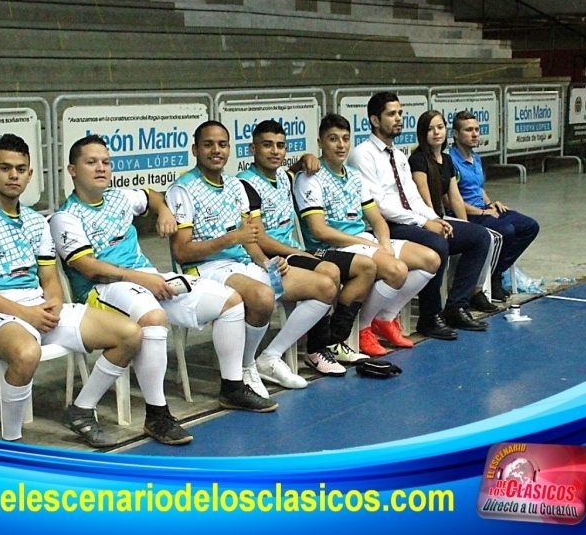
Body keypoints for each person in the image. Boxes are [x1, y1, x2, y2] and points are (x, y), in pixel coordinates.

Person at [50, 135, 277, 443]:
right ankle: (157, 415)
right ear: (72, 170)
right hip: (101, 291)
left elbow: (153, 196)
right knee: (154, 318)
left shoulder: (120, 197)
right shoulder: (65, 217)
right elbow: (90, 268)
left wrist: (165, 211)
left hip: (147, 281)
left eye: (105, 162)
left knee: (230, 302)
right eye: (91, 163)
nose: (101, 168)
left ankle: (233, 388)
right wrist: (144, 279)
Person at [0, 134, 143, 448]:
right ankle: (12, 443)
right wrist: (26, 314)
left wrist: (53, 303)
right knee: (27, 354)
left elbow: (49, 277)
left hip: (39, 308)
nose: (13, 175)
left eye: (20, 169)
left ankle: (82, 409)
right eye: (5, 168)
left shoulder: (36, 221)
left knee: (130, 334)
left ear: (29, 175)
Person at [165, 121, 340, 396]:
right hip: (204, 269)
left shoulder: (235, 186)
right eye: (208, 144)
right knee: (262, 296)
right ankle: (245, 366)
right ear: (195, 149)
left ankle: (269, 357)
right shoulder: (183, 189)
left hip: (242, 263)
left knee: (325, 286)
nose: (216, 150)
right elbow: (181, 252)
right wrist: (230, 239)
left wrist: (265, 262)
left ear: (229, 149)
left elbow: (248, 240)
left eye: (222, 145)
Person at [347, 92, 490, 337]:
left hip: (411, 219)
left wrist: (435, 219)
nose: (399, 118)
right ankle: (429, 316)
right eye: (391, 114)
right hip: (384, 225)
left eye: (400, 113)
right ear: (374, 120)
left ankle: (456, 306)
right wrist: (423, 222)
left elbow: (412, 197)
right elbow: (378, 204)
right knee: (438, 244)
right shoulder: (363, 154)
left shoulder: (399, 156)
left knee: (479, 236)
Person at [294, 113, 442, 347]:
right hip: (333, 247)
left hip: (365, 241)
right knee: (396, 270)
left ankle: (383, 317)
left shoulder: (354, 176)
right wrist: (371, 245)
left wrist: (383, 243)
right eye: (333, 139)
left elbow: (377, 219)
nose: (341, 145)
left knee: (430, 259)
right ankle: (363, 328)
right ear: (320, 142)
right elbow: (319, 231)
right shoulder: (310, 176)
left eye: (345, 138)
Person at [237, 119, 377, 362]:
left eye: (280, 146)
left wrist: (305, 158)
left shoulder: (284, 176)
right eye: (267, 145)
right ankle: (316, 348)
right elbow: (257, 237)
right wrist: (299, 253)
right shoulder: (244, 183)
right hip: (272, 257)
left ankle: (334, 341)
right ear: (252, 149)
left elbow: (298, 167)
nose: (275, 151)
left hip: (295, 251)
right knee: (329, 273)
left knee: (366, 267)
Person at [409, 110, 500, 314]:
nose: (436, 133)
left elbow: (455, 197)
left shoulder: (447, 160)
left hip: (441, 217)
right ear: (422, 133)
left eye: (440, 128)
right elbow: (423, 199)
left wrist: (465, 223)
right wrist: (435, 222)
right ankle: (452, 302)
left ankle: (463, 299)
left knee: (481, 236)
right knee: (457, 239)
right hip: (425, 220)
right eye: (430, 129)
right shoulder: (418, 161)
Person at [449, 111, 540, 302]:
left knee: (529, 226)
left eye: (476, 130)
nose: (474, 134)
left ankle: (495, 272)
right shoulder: (450, 161)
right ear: (456, 134)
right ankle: (485, 281)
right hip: (468, 213)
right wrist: (483, 211)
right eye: (468, 130)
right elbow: (450, 200)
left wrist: (491, 203)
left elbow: (478, 187)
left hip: (484, 208)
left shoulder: (476, 158)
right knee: (506, 230)